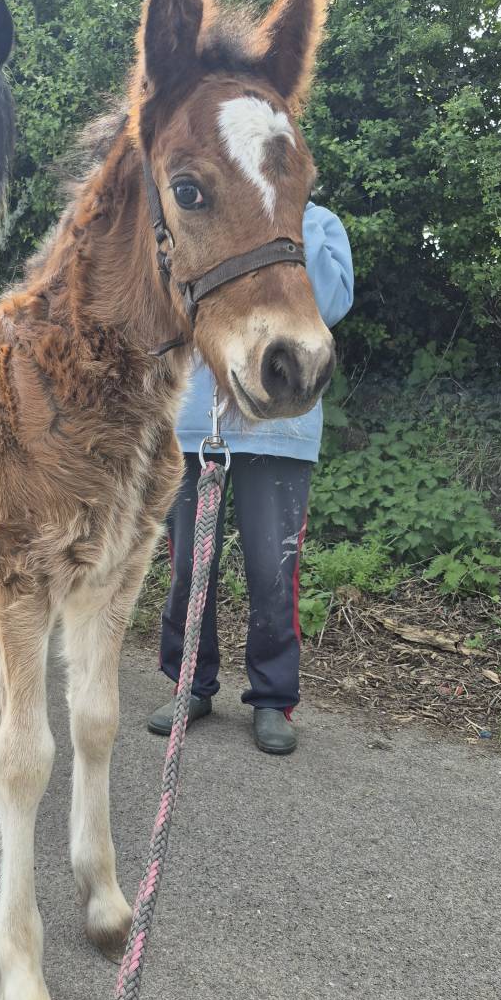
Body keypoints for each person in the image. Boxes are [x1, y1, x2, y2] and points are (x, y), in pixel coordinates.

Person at [147, 202, 354, 754]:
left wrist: (290, 219)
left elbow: (329, 304)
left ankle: (273, 698)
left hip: (280, 429)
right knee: (189, 566)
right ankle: (189, 683)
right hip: (195, 428)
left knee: (273, 571)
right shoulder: (201, 218)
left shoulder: (320, 224)